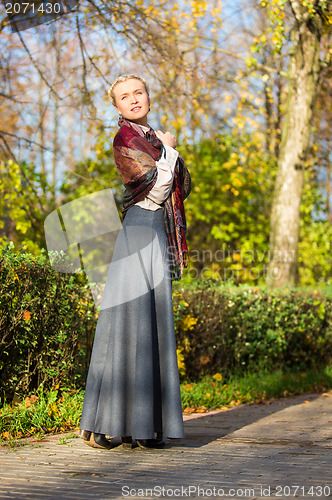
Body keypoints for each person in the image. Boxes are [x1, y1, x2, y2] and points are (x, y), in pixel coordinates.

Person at [79, 74, 191, 450]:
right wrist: (170, 153)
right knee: (127, 322)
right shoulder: (126, 139)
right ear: (117, 107)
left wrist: (166, 150)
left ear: (148, 97)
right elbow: (156, 185)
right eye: (124, 97)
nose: (133, 100)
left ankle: (141, 428)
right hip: (140, 229)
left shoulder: (154, 138)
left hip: (156, 231)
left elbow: (183, 187)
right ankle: (99, 424)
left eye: (138, 93)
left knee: (150, 325)